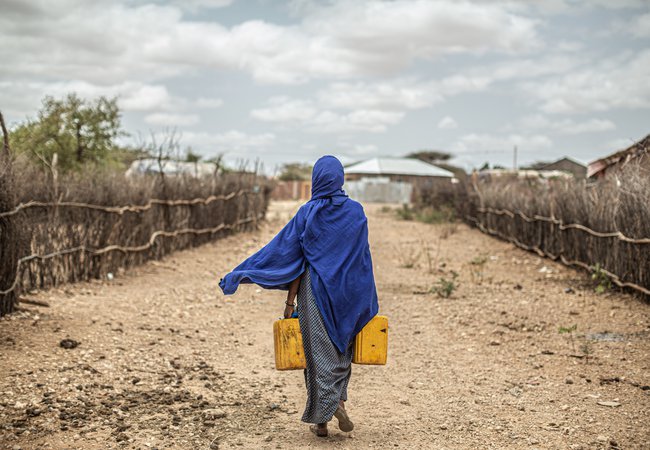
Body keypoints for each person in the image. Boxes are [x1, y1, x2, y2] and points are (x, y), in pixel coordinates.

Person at [219, 155, 379, 437]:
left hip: (315, 292)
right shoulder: (356, 212)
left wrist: (289, 301)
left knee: (316, 355)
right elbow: (361, 259)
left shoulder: (308, 213)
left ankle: (322, 420)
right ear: (340, 178)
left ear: (316, 179)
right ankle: (338, 402)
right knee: (342, 351)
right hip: (348, 295)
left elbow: (292, 258)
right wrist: (363, 297)